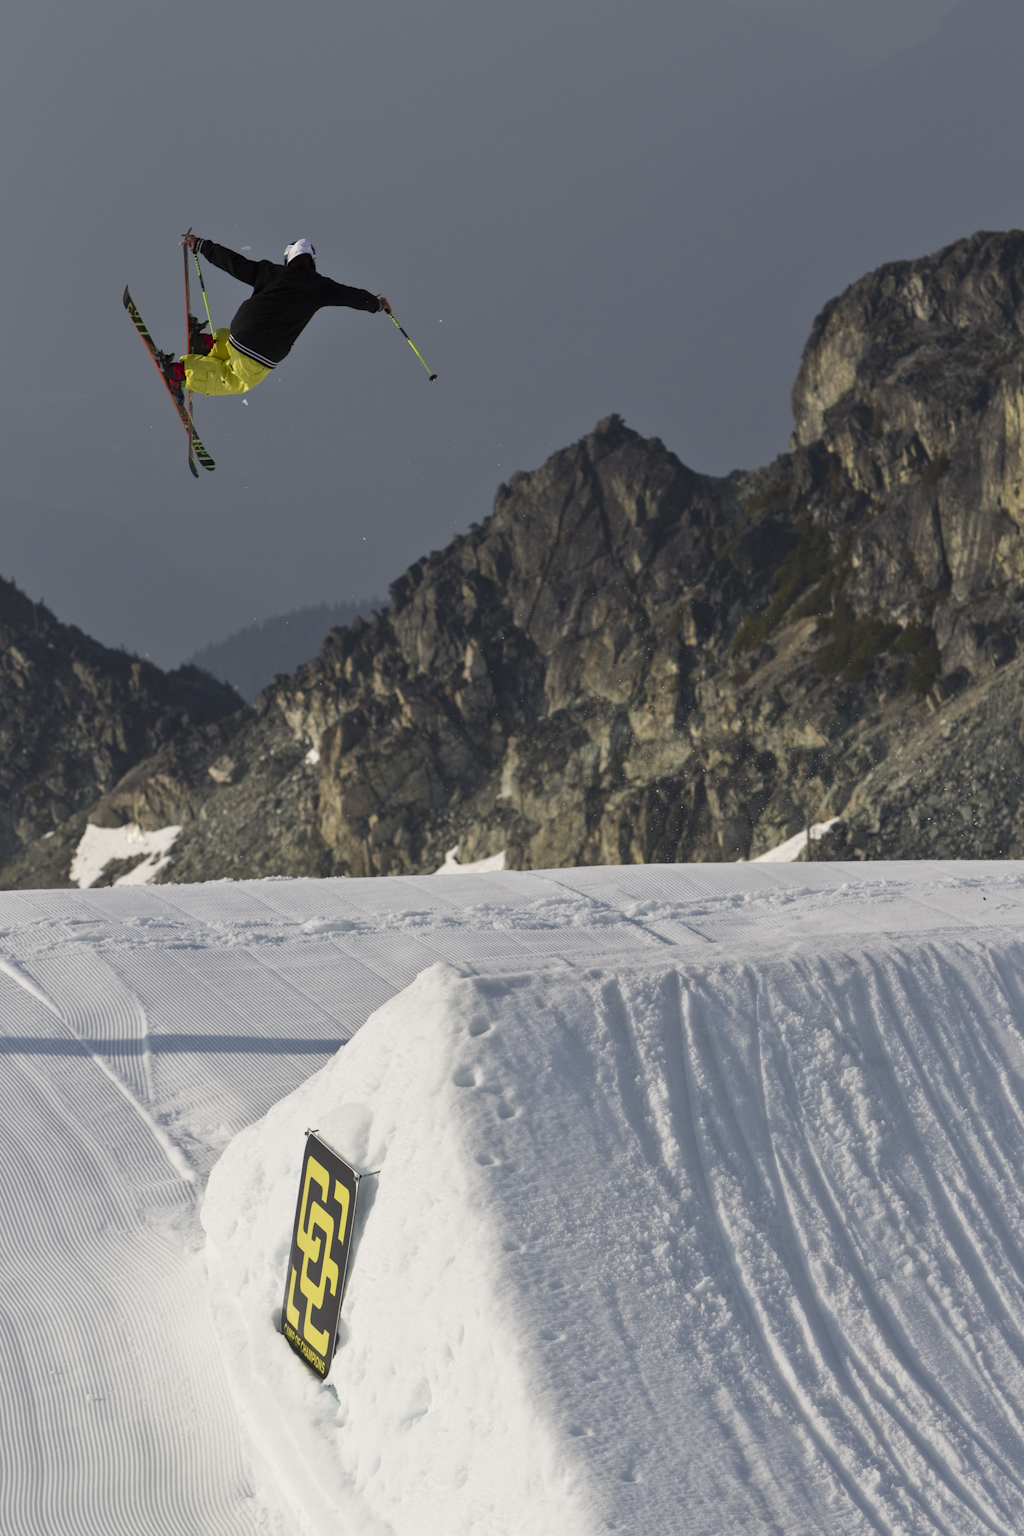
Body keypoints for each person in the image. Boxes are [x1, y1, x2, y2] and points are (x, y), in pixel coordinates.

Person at [158, 235, 390, 406]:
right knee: (237, 379)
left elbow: (236, 264)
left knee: (236, 353)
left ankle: (207, 344)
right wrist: (377, 304)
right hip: (265, 348)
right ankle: (179, 372)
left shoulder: (273, 272)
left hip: (242, 327)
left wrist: (202, 246)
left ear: (289, 258)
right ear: (312, 262)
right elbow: (353, 296)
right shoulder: (321, 287)